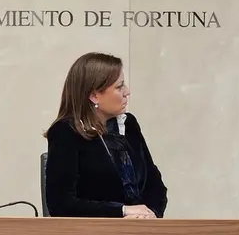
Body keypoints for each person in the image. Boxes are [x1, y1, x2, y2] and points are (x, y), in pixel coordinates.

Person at [44, 52, 167, 218]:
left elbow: (156, 186)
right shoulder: (66, 132)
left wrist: (151, 213)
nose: (127, 92)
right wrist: (122, 211)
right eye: (119, 87)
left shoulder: (129, 124)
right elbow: (61, 204)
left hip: (143, 231)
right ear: (94, 95)